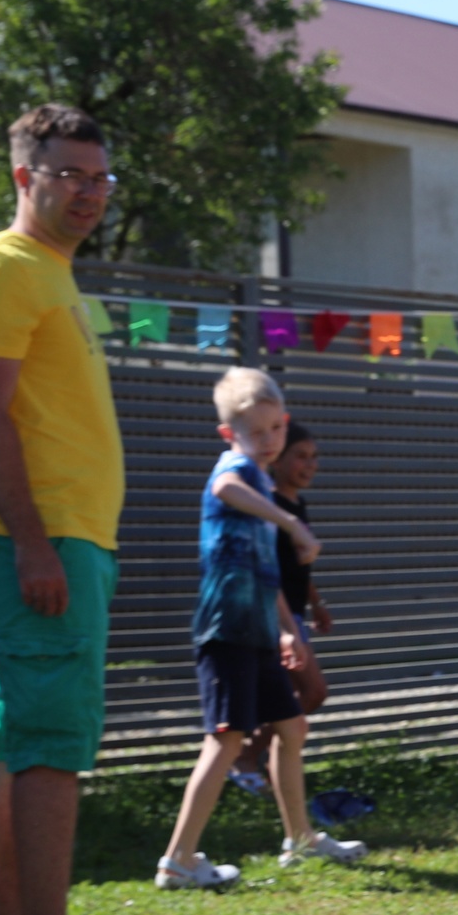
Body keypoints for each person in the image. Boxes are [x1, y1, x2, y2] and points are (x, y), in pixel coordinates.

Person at [0, 105, 158, 915]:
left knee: (13, 732)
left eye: (100, 177)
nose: (89, 192)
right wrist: (34, 543)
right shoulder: (5, 269)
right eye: (69, 175)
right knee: (53, 744)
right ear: (24, 178)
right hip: (40, 540)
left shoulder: (51, 273)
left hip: (61, 538)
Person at [155, 368, 362, 887]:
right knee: (226, 741)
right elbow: (223, 486)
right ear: (230, 434)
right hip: (225, 629)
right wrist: (292, 523)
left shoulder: (263, 480)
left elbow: (263, 573)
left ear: (284, 422)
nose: (268, 441)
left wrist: (288, 629)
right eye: (255, 432)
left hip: (259, 631)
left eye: (275, 429)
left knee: (292, 727)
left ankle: (300, 840)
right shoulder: (237, 470)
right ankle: (178, 859)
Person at [236, 420, 329, 789]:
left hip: (295, 616)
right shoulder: (269, 506)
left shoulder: (296, 505)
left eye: (314, 457)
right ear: (277, 459)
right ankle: (247, 754)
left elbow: (297, 565)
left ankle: (262, 761)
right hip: (273, 617)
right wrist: (283, 627)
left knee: (293, 699)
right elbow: (263, 567)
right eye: (300, 457)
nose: (310, 465)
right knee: (313, 692)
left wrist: (318, 603)